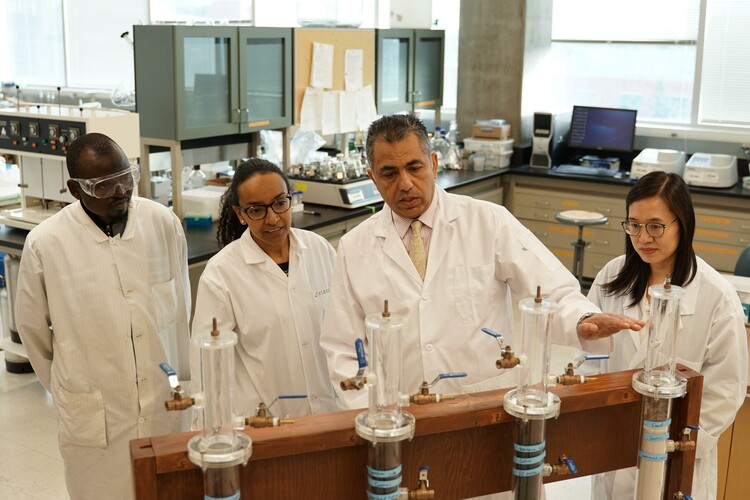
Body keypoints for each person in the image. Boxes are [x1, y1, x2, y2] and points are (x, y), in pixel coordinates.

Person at [320, 113, 643, 411]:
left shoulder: (488, 221)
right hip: (398, 409)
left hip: (483, 400)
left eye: (415, 168)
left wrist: (583, 319)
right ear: (372, 178)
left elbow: (550, 289)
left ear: (433, 163)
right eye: (389, 173)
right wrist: (369, 411)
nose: (404, 183)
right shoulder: (355, 246)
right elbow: (343, 346)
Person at [15, 132, 191, 499]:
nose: (121, 191)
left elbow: (181, 314)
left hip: (165, 405)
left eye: (127, 177)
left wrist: (181, 384)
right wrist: (71, 392)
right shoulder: (46, 244)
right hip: (95, 419)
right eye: (103, 185)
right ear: (75, 190)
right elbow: (33, 335)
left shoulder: (163, 223)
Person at [587, 171, 748, 500]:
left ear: (682, 224)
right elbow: (587, 357)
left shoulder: (716, 297)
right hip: (613, 445)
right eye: (634, 225)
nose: (643, 237)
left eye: (656, 226)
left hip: (673, 456)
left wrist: (668, 443)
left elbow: (725, 391)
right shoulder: (611, 277)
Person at [191, 158, 337, 419]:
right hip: (264, 421)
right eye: (257, 210)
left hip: (331, 411)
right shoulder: (222, 274)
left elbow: (345, 329)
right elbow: (208, 366)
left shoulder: (320, 249)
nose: (273, 219)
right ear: (240, 214)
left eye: (280, 203)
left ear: (291, 199)